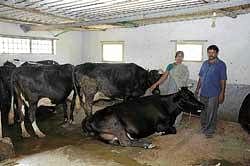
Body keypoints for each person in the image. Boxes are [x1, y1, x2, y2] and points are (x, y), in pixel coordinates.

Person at [195, 45, 227, 138]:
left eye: (213, 52)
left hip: (214, 93)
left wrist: (222, 93)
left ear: (217, 53)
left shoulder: (221, 64)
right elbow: (201, 77)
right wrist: (197, 89)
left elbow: (223, 80)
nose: (211, 54)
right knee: (203, 111)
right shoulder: (205, 63)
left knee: (211, 112)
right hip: (203, 92)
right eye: (209, 52)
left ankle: (210, 130)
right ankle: (204, 126)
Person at [150, 51, 189, 126]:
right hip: (171, 88)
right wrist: (155, 84)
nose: (179, 58)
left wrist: (184, 88)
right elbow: (164, 77)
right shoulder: (170, 66)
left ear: (183, 58)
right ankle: (169, 121)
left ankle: (176, 122)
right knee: (170, 105)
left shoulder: (184, 68)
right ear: (175, 57)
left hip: (180, 89)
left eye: (181, 56)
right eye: (178, 56)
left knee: (179, 105)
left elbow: (185, 79)